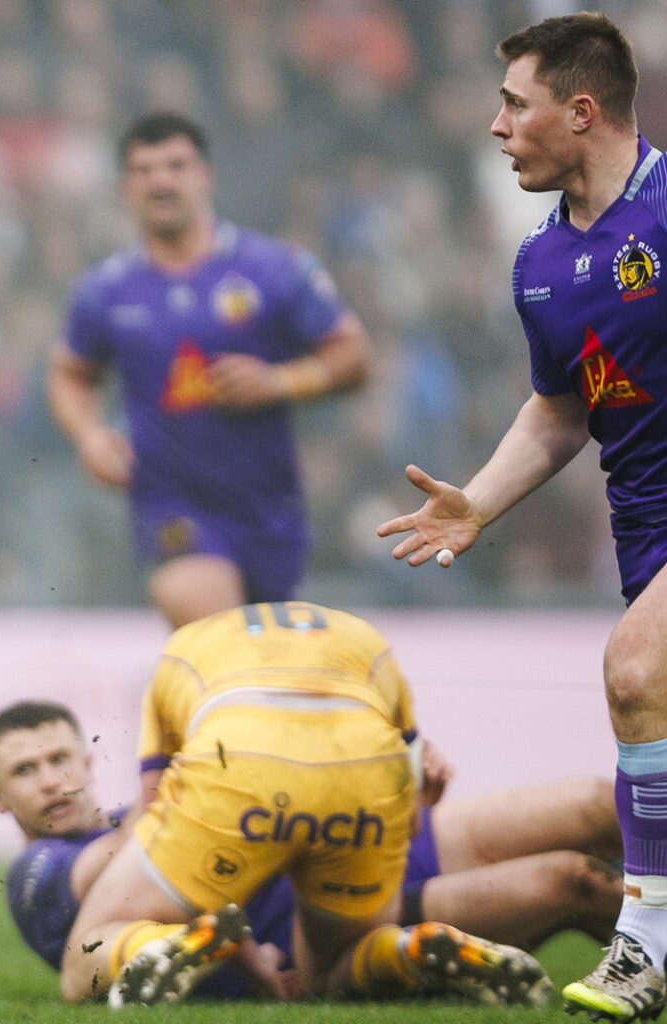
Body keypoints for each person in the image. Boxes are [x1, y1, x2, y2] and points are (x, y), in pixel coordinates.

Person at [376, 13, 667, 1021]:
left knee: (635, 672)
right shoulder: (541, 266)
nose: (496, 126)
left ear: (580, 112)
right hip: (644, 534)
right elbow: (562, 408)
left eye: (513, 104)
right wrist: (479, 503)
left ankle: (647, 941)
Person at [53, 601, 549, 1006]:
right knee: (335, 967)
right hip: (364, 774)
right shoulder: (360, 634)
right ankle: (409, 947)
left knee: (85, 956)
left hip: (240, 764)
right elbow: (418, 777)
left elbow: (158, 798)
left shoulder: (183, 645)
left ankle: (160, 945)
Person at [0, 700, 622, 1000]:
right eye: (26, 771)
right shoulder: (41, 872)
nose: (51, 780)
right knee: (573, 883)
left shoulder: (138, 813)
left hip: (367, 845)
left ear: (87, 761)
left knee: (598, 805)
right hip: (333, 918)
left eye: (59, 758)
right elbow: (115, 863)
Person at [47, 112, 371, 630]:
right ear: (124, 188)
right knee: (213, 625)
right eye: (144, 169)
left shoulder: (274, 269)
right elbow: (69, 373)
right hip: (172, 504)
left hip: (270, 506)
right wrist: (89, 435)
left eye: (176, 165)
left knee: (255, 665)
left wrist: (280, 381)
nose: (161, 180)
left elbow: (353, 356)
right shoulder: (106, 290)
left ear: (207, 175)